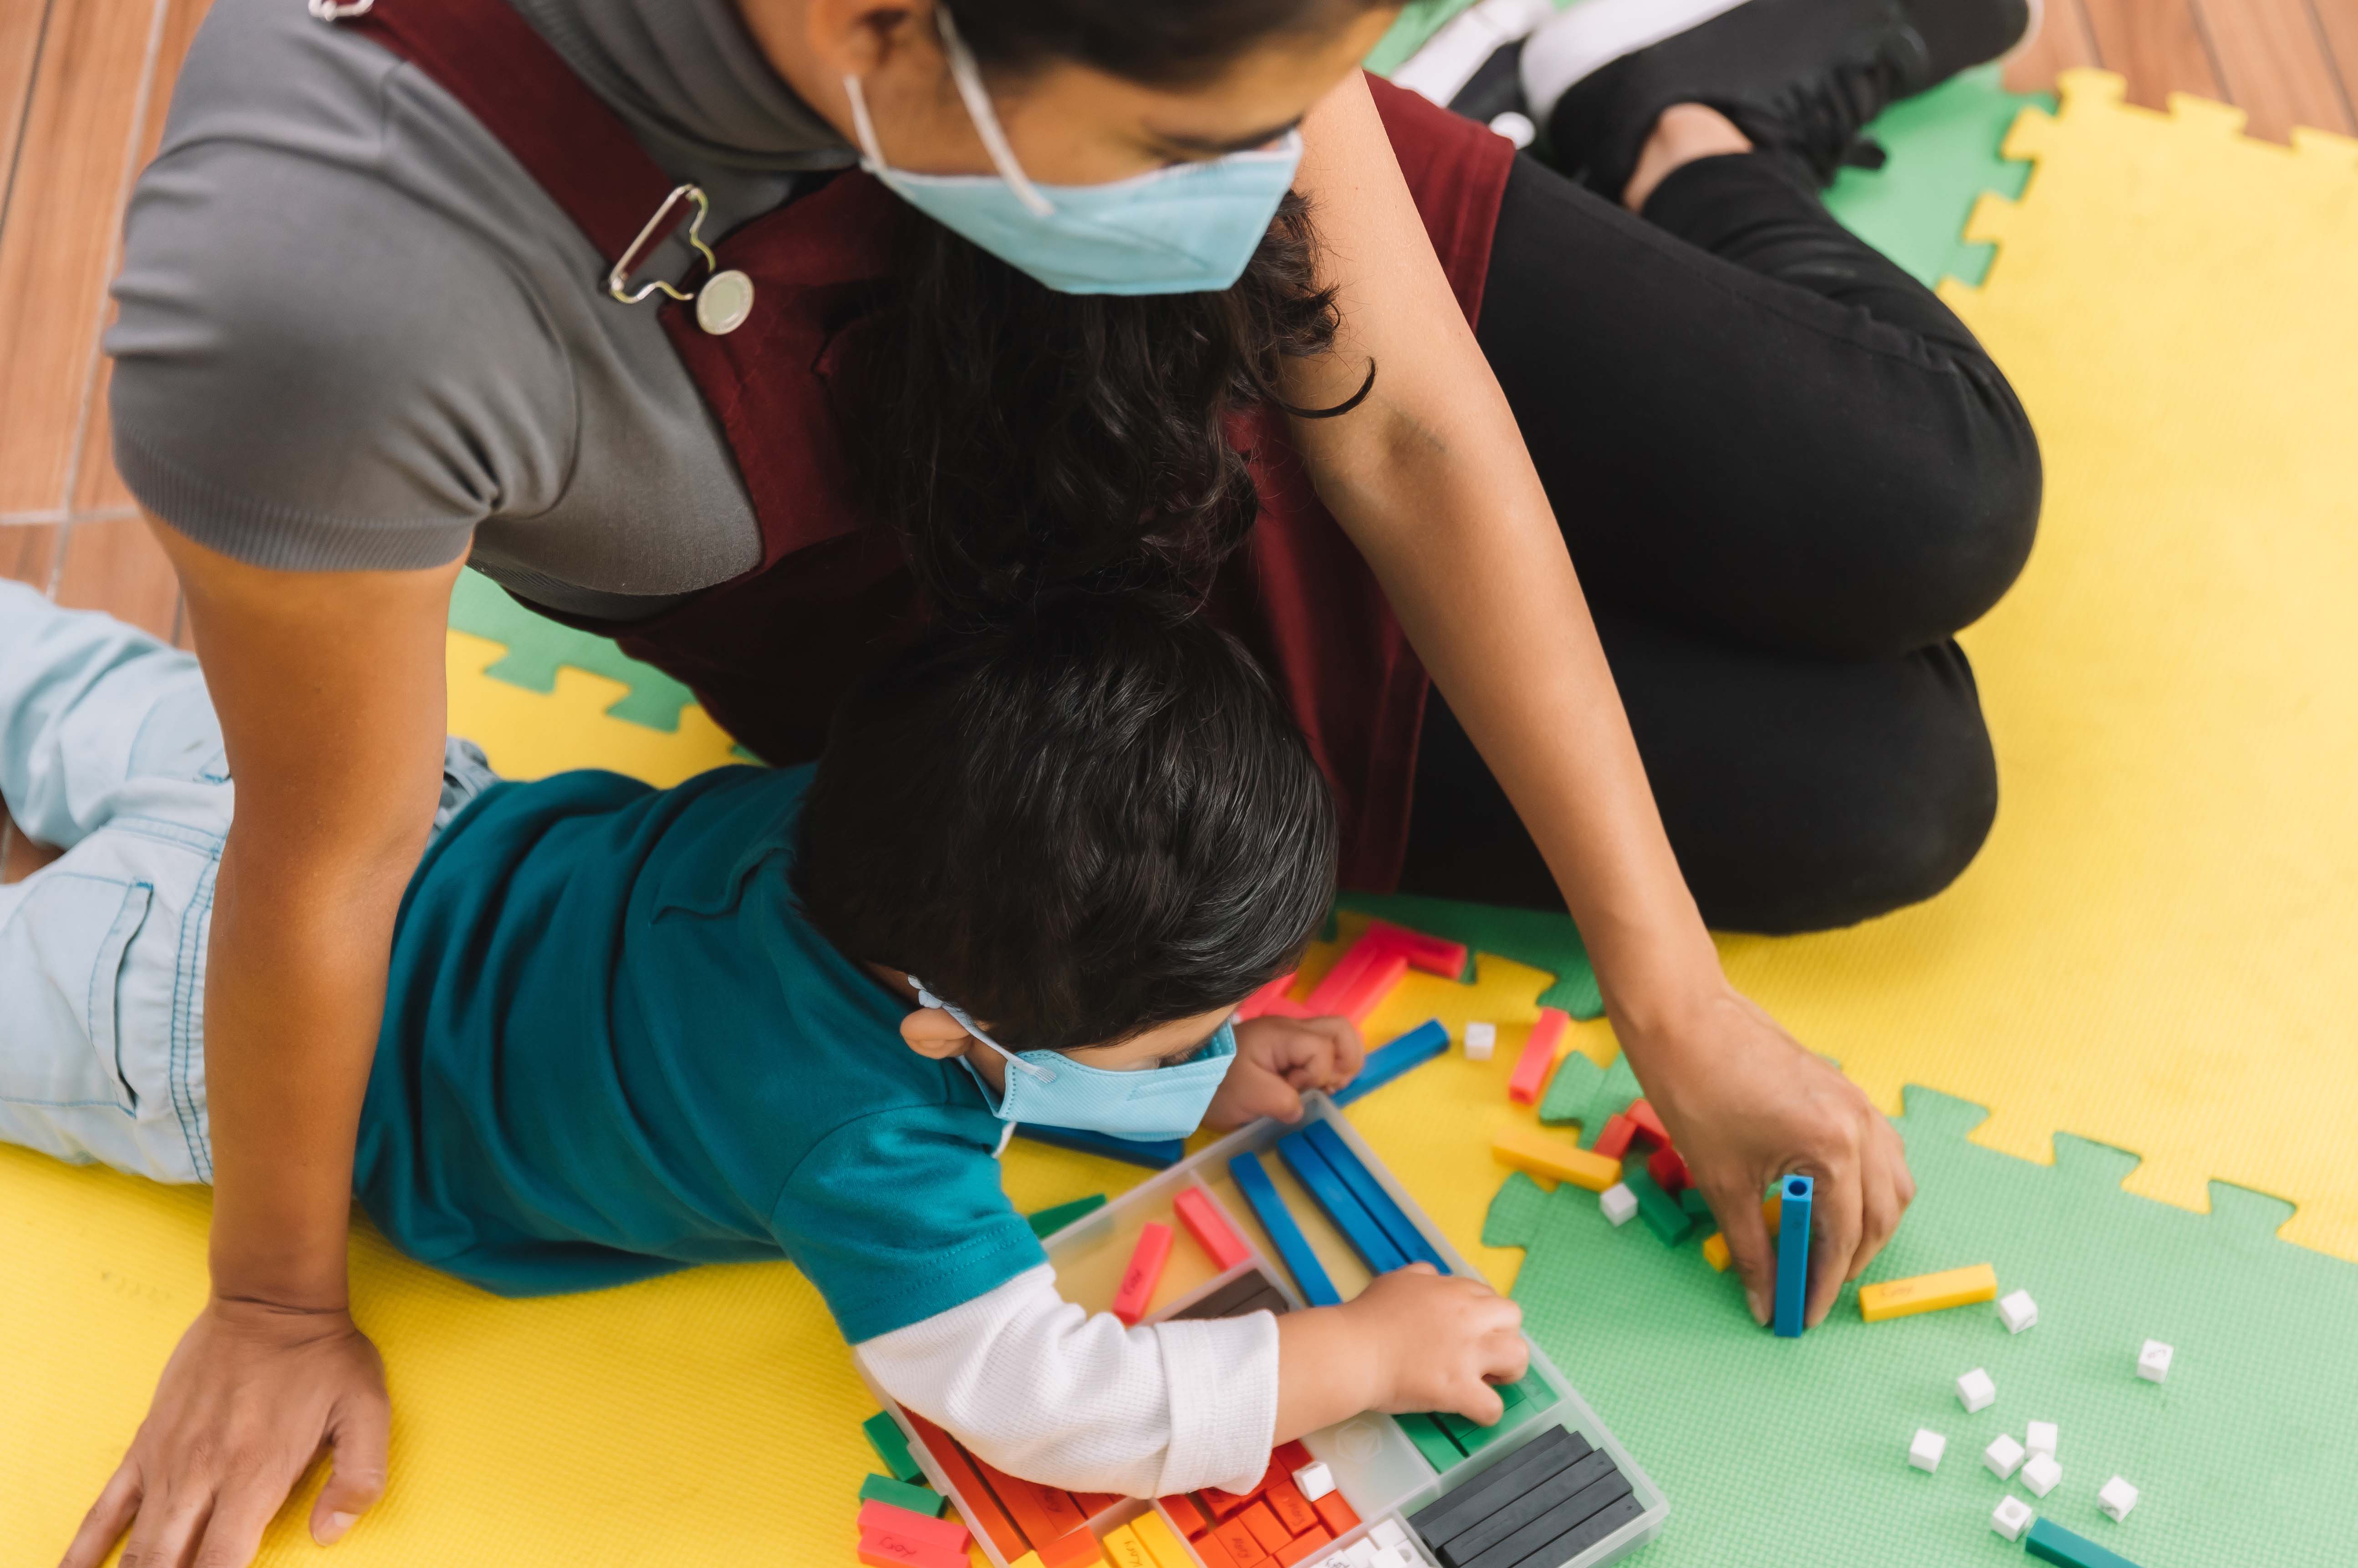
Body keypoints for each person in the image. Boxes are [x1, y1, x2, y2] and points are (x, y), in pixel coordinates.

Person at [82, 0, 2039, 1555]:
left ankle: (1668, 113)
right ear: (885, 31)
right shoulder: (328, 294)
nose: (1270, 161)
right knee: (1899, 787)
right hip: (1040, 699)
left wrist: (1671, 994)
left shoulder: (1209, 107)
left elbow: (1411, 430)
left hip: (1182, 387)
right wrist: (272, 1299)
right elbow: (327, 850)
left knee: (1939, 496)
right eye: (1210, 143)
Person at [2, 578, 1532, 1516]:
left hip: (352, 796)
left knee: (48, 674)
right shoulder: (867, 1142)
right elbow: (1056, 1400)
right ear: (946, 1028)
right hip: (193, 1018)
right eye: (1180, 1041)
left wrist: (1193, 1080)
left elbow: (1057, 962)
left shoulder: (885, 800)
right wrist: (1357, 1350)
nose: (1208, 1056)